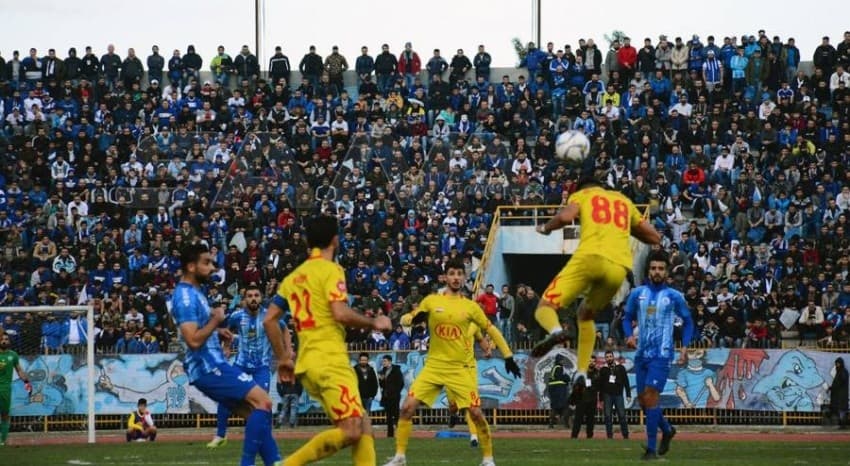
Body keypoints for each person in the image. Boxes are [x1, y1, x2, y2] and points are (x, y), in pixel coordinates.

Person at [264, 215, 391, 466]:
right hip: (330, 360)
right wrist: (374, 322)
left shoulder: (294, 277)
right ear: (335, 239)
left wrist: (283, 358)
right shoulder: (332, 270)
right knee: (353, 429)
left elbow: (269, 319)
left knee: (363, 423)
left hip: (308, 363)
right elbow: (340, 313)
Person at [383, 258, 521, 466]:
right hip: (434, 367)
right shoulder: (431, 301)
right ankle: (400, 457)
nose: (456, 278)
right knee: (407, 408)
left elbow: (491, 329)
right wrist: (411, 318)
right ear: (445, 276)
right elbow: (406, 319)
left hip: (459, 369)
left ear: (464, 277)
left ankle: (488, 459)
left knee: (475, 412)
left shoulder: (470, 307)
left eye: (459, 274)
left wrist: (508, 356)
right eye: (452, 273)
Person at [531, 173, 662, 388]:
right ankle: (581, 372)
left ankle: (555, 332)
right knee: (585, 315)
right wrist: (622, 228)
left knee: (545, 306)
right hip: (618, 270)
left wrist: (545, 229)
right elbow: (654, 237)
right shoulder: (622, 200)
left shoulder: (582, 196)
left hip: (589, 258)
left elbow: (564, 218)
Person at [171, 243, 282, 466]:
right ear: (191, 266)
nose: (212, 267)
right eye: (206, 262)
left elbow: (199, 331)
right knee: (264, 402)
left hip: (212, 364)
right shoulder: (184, 297)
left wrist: (218, 331)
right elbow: (192, 340)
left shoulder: (195, 292)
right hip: (209, 368)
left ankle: (276, 462)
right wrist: (216, 319)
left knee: (254, 414)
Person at [622, 251, 695, 460]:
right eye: (653, 268)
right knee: (644, 401)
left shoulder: (674, 296)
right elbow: (626, 318)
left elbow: (688, 322)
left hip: (662, 355)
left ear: (667, 272)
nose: (657, 272)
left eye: (661, 268)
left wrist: (684, 347)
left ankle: (651, 450)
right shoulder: (637, 294)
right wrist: (628, 335)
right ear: (648, 270)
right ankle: (668, 429)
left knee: (651, 396)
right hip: (641, 354)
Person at [208, 285, 286, 448]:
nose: (253, 298)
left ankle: (266, 436)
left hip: (261, 367)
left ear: (261, 298)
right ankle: (220, 435)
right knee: (225, 397)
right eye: (249, 295)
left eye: (256, 295)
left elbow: (285, 329)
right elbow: (223, 329)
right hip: (240, 365)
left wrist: (287, 352)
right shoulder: (237, 316)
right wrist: (227, 346)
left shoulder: (268, 316)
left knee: (263, 402)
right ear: (244, 299)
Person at [448, 319, 492, 448]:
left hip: (468, 370)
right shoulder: (448, 324)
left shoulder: (473, 325)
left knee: (470, 406)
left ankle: (474, 437)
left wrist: (487, 349)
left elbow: (480, 338)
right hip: (451, 370)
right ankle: (453, 414)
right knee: (452, 404)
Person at [0, 333, 30, 445]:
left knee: (5, 414)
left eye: (6, 339)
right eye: (2, 339)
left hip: (6, 389)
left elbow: (19, 370)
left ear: (9, 341)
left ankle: (3, 440)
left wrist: (26, 381)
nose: (4, 341)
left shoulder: (13, 355)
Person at [598, 350, 631, 439]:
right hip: (607, 395)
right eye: (607, 357)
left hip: (618, 395)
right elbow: (600, 385)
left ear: (613, 357)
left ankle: (625, 435)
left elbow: (626, 382)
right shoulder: (603, 369)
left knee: (622, 415)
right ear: (605, 358)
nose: (609, 358)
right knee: (608, 416)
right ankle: (609, 436)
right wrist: (600, 399)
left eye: (610, 356)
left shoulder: (621, 368)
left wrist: (628, 394)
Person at [569, 359, 599, 439]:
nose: (591, 363)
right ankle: (574, 436)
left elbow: (599, 386)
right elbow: (574, 385)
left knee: (591, 420)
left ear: (595, 363)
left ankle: (589, 436)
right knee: (578, 419)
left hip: (592, 400)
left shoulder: (597, 373)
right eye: (590, 361)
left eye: (593, 361)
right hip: (581, 399)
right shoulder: (581, 372)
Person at [378, 354, 404, 437]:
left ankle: (400, 433)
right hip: (386, 396)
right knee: (388, 416)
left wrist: (396, 392)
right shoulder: (383, 371)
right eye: (383, 361)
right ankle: (390, 434)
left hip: (395, 396)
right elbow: (382, 385)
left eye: (385, 361)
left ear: (390, 361)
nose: (383, 363)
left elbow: (401, 383)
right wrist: (381, 380)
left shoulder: (396, 370)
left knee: (396, 414)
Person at [547, 354, 571, 429]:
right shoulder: (559, 368)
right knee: (565, 406)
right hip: (559, 389)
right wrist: (567, 378)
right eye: (562, 360)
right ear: (558, 360)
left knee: (554, 406)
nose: (563, 361)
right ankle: (566, 423)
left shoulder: (554, 368)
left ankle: (551, 423)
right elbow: (562, 377)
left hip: (554, 389)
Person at [829, 357, 848, 429]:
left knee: (842, 410)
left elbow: (841, 381)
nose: (837, 365)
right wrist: (831, 387)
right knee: (840, 410)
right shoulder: (839, 372)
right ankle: (842, 424)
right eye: (836, 363)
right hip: (839, 395)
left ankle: (843, 425)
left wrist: (833, 387)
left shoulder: (843, 372)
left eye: (838, 363)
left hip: (842, 395)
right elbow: (836, 383)